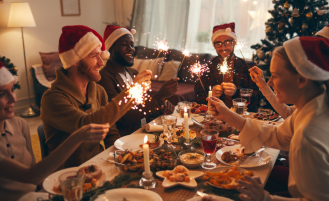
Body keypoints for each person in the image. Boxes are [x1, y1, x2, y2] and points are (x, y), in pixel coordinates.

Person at [208, 36, 329, 201]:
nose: (270, 81)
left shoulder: (308, 137)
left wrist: (266, 198)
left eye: (275, 75)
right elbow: (277, 135)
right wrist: (228, 115)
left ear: (301, 79)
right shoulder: (312, 107)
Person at [40, 25, 151, 169]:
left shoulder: (98, 91)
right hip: (69, 178)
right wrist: (131, 93)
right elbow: (86, 125)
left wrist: (120, 161)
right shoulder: (52, 98)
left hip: (98, 166)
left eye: (100, 55)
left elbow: (111, 134)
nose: (101, 62)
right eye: (94, 56)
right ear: (75, 60)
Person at [0, 61, 110, 200]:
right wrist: (77, 136)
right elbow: (30, 176)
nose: (13, 98)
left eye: (12, 90)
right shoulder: (53, 97)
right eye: (2, 94)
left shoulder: (20, 124)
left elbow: (36, 171)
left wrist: (55, 193)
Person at [98, 25, 178, 136]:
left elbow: (143, 108)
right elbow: (123, 119)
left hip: (146, 131)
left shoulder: (134, 73)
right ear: (110, 48)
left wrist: (161, 106)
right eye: (124, 45)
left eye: (131, 45)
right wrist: (158, 96)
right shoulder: (104, 77)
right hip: (127, 139)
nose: (130, 49)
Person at [194, 22, 260, 111]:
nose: (223, 48)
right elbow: (197, 99)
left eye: (227, 42)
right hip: (216, 117)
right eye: (218, 44)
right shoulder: (206, 68)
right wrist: (211, 95)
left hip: (242, 118)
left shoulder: (249, 67)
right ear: (214, 46)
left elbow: (258, 98)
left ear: (234, 44)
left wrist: (237, 92)